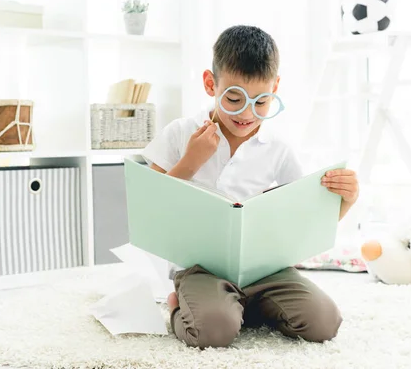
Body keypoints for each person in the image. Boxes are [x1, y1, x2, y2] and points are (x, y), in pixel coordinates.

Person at [141, 25, 359, 348]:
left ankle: (242, 307)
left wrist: (347, 200)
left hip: (265, 272)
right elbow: (150, 211)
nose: (246, 114)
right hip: (201, 270)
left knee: (325, 321)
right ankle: (179, 306)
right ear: (210, 84)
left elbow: (304, 223)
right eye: (233, 98)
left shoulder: (278, 148)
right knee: (212, 332)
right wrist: (191, 161)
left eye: (261, 102)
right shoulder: (180, 133)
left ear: (276, 88)